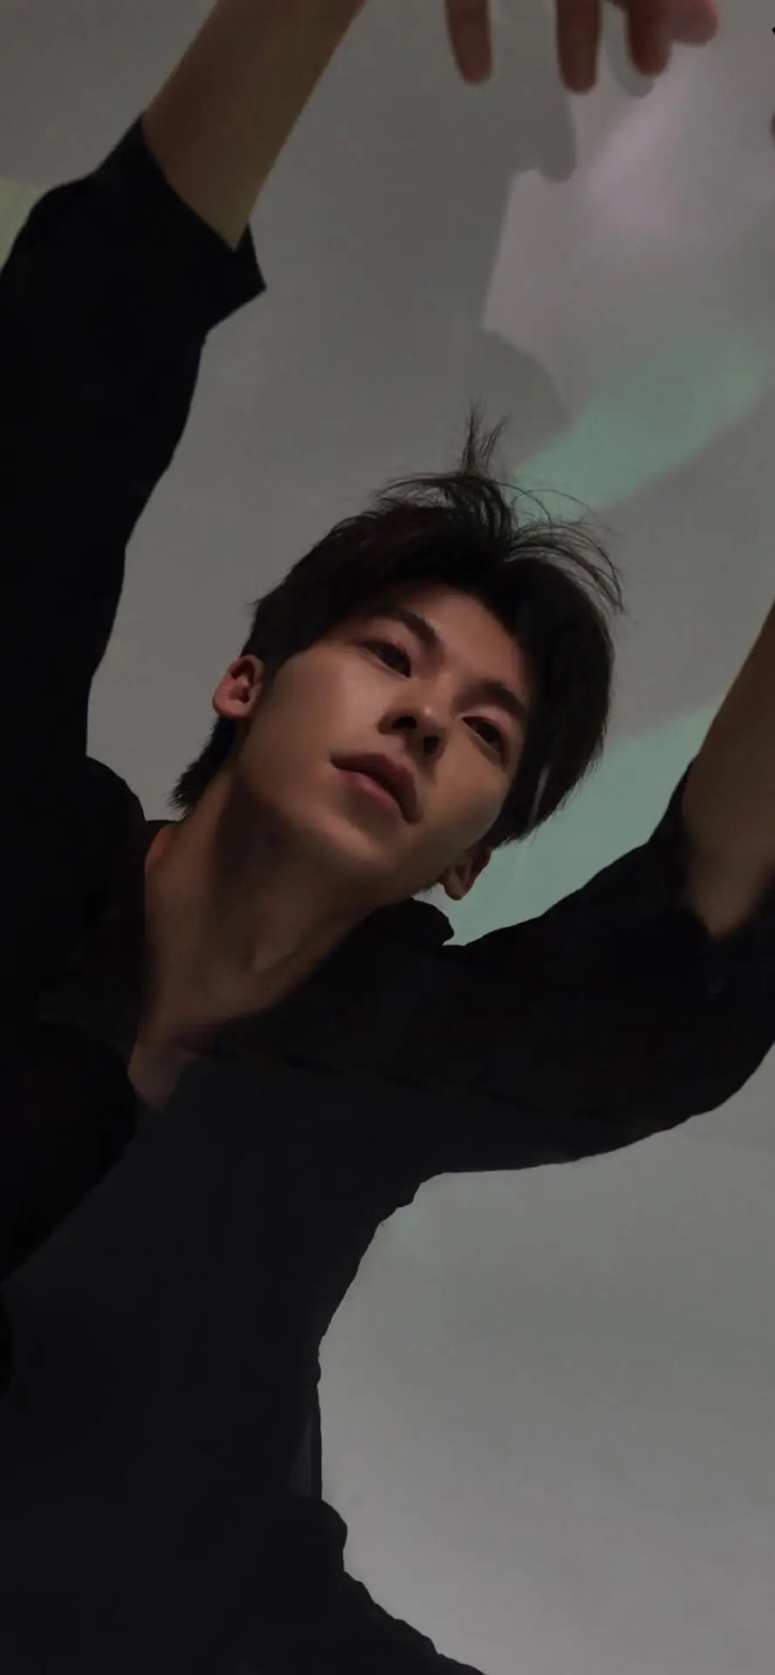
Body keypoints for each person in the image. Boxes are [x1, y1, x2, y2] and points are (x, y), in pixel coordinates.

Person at [0, 1, 761, 1671]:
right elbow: (65, 386)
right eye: (389, 656)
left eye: (485, 733)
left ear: (469, 858)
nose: (423, 717)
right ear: (244, 680)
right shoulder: (26, 853)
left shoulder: (382, 1055)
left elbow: (699, 928)